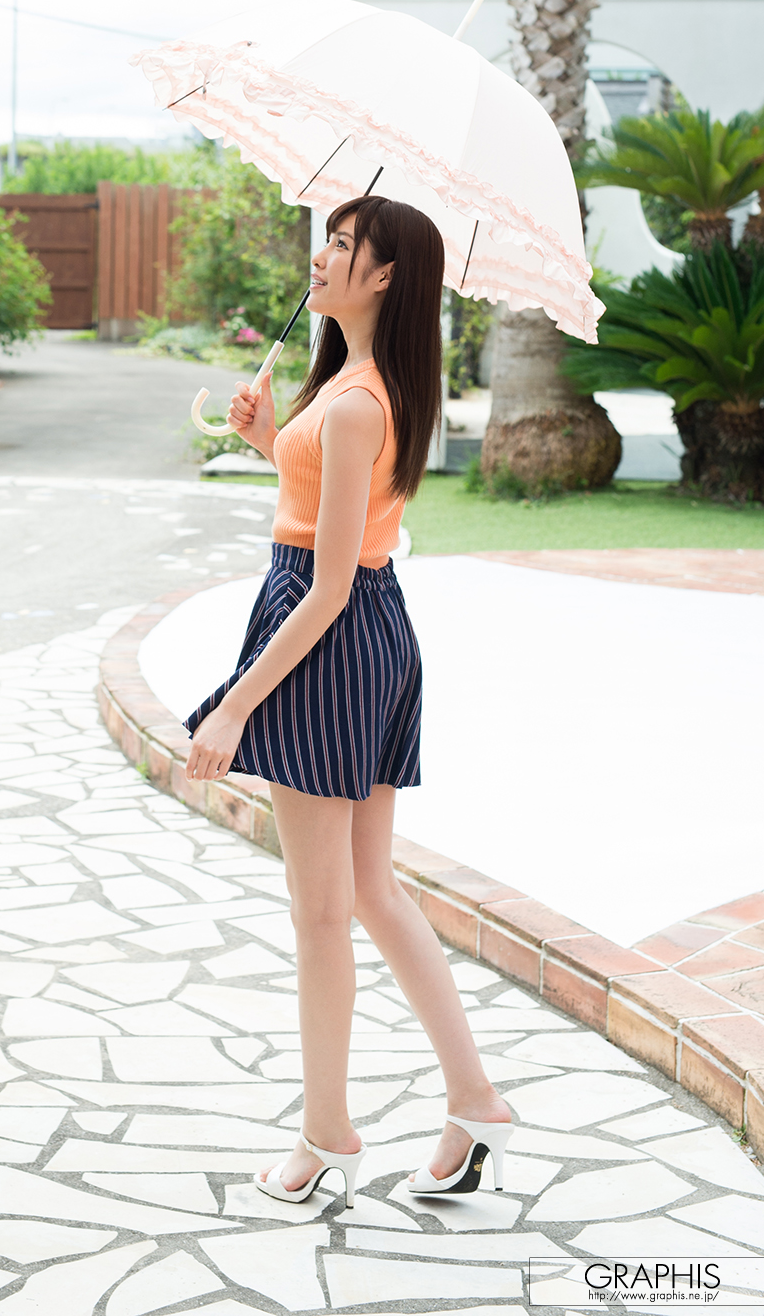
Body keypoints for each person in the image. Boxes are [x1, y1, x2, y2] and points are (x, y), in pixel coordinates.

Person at [183, 194, 513, 1207]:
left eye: (342, 244)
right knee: (368, 890)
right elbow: (330, 511)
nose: (321, 258)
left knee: (322, 910)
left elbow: (324, 585)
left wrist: (235, 704)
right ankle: (476, 1104)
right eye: (327, 240)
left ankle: (327, 1134)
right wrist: (271, 438)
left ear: (385, 276)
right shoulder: (357, 385)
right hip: (367, 629)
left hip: (328, 634)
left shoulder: (361, 399)